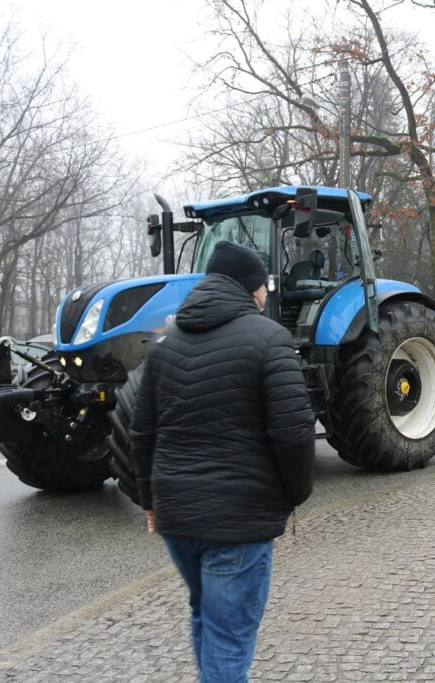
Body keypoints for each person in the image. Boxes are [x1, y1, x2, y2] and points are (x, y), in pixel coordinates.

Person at [130, 241, 316, 683]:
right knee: (229, 638)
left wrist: (150, 503)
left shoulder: (164, 346)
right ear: (252, 289)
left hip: (178, 517)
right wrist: (294, 495)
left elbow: (142, 434)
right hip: (239, 520)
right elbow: (293, 434)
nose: (266, 294)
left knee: (205, 613)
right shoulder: (270, 339)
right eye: (263, 287)